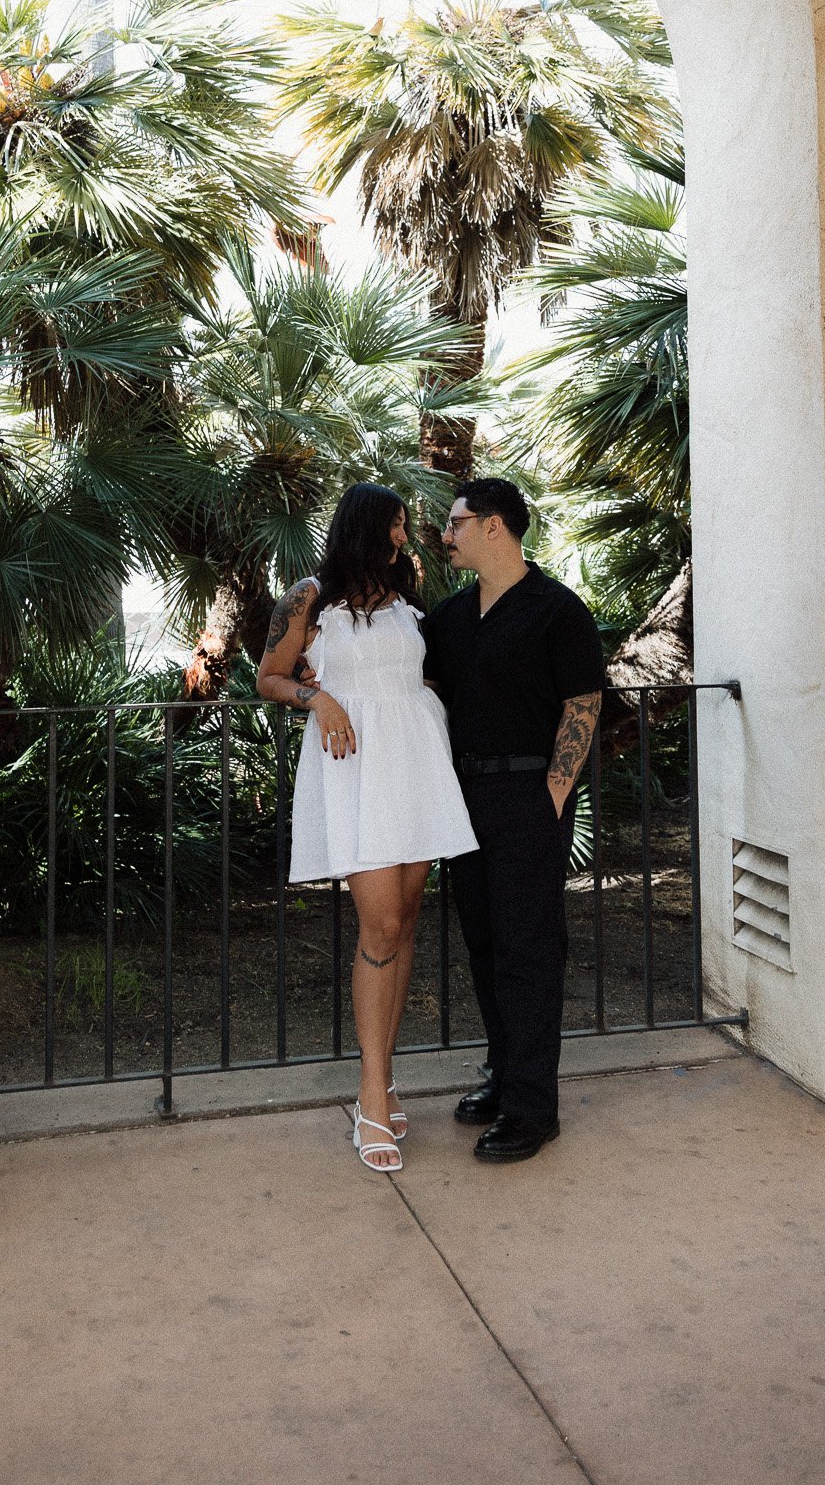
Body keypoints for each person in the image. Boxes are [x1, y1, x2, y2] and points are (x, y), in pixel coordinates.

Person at [257, 483, 478, 1173]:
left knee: (404, 924)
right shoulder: (309, 597)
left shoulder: (407, 595)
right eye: (396, 525)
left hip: (415, 761)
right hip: (354, 766)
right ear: (365, 526)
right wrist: (318, 698)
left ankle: (383, 1079)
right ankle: (370, 1094)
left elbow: (418, 677)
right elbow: (268, 677)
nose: (405, 537)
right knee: (379, 926)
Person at [423, 478, 605, 1164]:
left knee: (528, 951)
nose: (446, 535)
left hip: (528, 797)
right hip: (462, 797)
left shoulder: (557, 609)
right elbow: (423, 693)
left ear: (493, 525)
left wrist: (553, 794)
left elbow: (582, 705)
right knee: (484, 945)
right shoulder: (448, 616)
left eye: (455, 523)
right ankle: (504, 1078)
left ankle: (532, 1109)